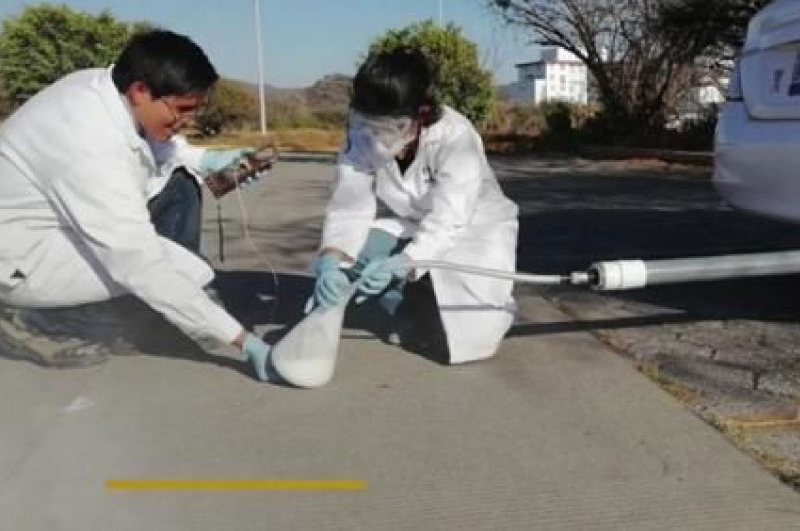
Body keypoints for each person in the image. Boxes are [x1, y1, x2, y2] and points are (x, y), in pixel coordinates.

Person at [0, 29, 273, 380]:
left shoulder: (101, 87)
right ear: (141, 90)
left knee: (190, 252)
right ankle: (37, 319)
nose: (187, 121)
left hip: (52, 228)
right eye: (182, 110)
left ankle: (148, 312)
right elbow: (137, 262)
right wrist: (244, 342)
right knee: (158, 272)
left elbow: (154, 145)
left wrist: (206, 162)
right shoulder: (88, 143)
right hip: (19, 260)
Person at [309, 48, 518, 364]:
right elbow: (350, 206)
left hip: (475, 228)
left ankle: (424, 295)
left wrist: (407, 261)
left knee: (466, 340)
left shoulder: (456, 137)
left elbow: (449, 220)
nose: (377, 136)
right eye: (368, 122)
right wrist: (330, 259)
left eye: (391, 125)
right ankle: (405, 300)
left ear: (421, 112)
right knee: (353, 259)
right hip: (413, 221)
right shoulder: (360, 137)